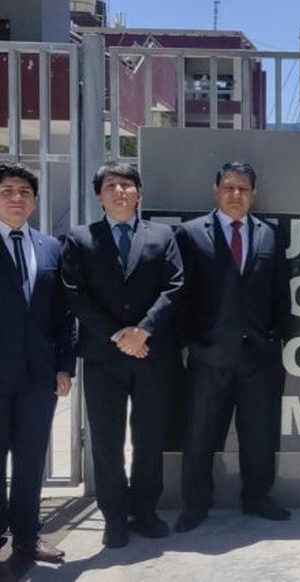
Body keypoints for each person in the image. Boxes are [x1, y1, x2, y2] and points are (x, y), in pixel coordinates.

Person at [61, 162, 184, 549]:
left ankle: (145, 512)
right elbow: (74, 294)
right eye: (111, 185)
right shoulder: (80, 238)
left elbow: (175, 286)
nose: (119, 191)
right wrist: (117, 334)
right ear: (99, 196)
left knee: (149, 437)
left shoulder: (163, 236)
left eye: (127, 185)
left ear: (139, 193)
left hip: (151, 354)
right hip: (103, 357)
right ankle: (114, 517)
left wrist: (143, 330)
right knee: (106, 440)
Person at [174, 161, 290, 533]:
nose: (235, 194)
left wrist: (276, 337)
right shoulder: (190, 234)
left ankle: (257, 497)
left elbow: (280, 291)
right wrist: (192, 343)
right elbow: (179, 294)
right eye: (228, 187)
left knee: (259, 433)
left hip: (258, 356)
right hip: (209, 356)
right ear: (216, 191)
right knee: (200, 434)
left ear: (253, 194)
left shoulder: (271, 235)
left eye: (242, 189)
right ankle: (195, 505)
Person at [0, 163, 74, 563]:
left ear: (34, 200)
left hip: (38, 377)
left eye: (24, 192)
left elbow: (63, 313)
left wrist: (64, 366)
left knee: (31, 461)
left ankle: (27, 537)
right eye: (7, 191)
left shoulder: (49, 247)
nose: (16, 198)